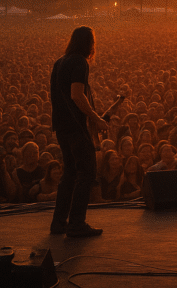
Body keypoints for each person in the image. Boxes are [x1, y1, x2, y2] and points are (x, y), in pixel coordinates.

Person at [48, 26, 109, 238]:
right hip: (76, 127)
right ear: (88, 43)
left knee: (70, 173)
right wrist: (96, 119)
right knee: (87, 173)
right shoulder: (80, 63)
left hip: (61, 126)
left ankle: (58, 223)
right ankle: (76, 223)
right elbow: (77, 94)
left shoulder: (59, 62)